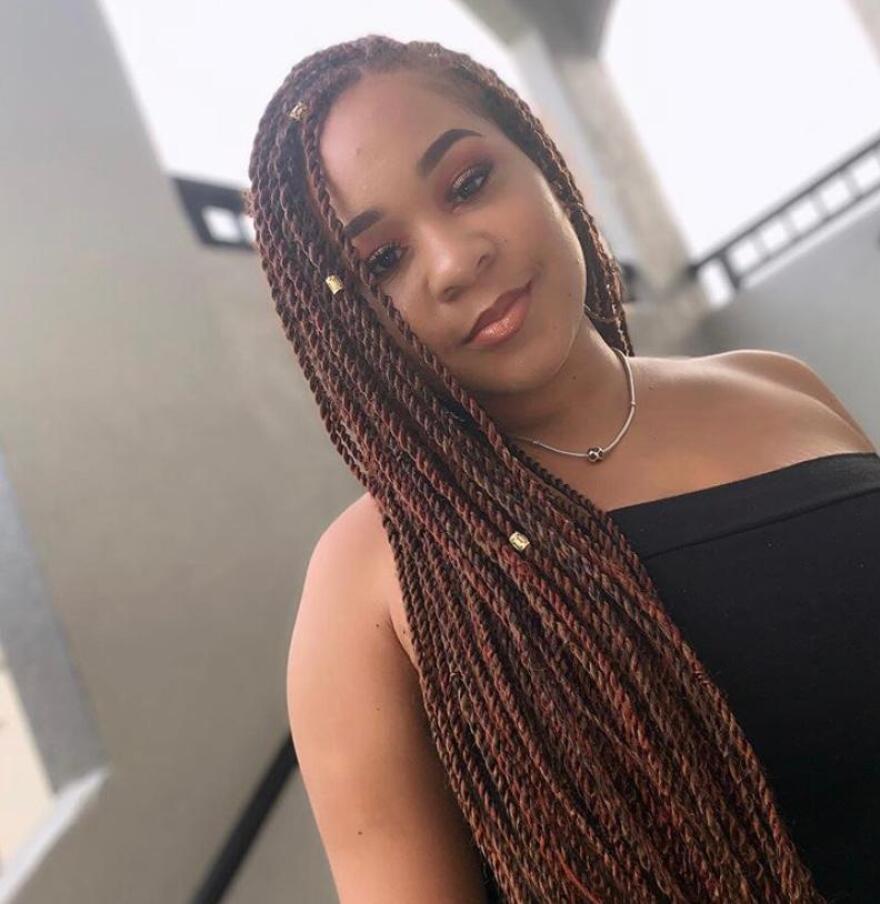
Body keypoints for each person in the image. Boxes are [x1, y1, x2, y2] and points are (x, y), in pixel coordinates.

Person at [246, 35, 878, 903]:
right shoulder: (368, 583)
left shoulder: (781, 386)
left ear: (541, 159)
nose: (455, 258)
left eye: (468, 182)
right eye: (382, 260)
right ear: (347, 320)